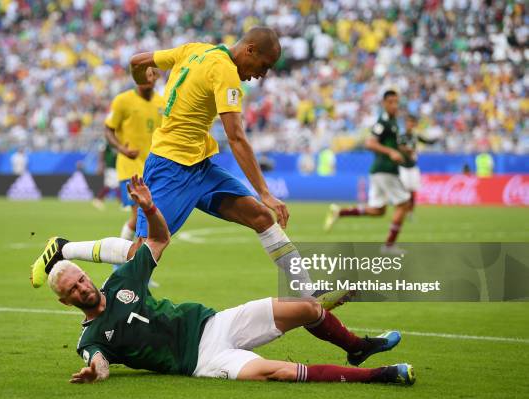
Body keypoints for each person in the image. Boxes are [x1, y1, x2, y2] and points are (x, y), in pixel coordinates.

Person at [32, 176, 415, 385]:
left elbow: (159, 239)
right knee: (277, 371)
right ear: (66, 302)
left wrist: (149, 208)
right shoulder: (90, 338)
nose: (82, 288)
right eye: (73, 291)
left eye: (80, 279)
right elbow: (97, 361)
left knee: (308, 307)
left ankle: (356, 346)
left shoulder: (120, 283)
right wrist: (94, 372)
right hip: (203, 360)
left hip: (215, 322)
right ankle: (377, 376)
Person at [128, 26, 329, 300]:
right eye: (264, 65)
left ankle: (308, 292)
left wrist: (144, 80)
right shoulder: (225, 72)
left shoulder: (194, 49)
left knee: (261, 217)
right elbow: (236, 138)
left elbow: (137, 61)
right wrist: (266, 193)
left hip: (200, 165)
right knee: (144, 250)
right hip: (170, 166)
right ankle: (71, 255)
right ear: (249, 50)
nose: (262, 75)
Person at [324, 90, 410, 254]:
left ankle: (340, 212)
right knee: (403, 204)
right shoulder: (383, 122)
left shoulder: (393, 122)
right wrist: (391, 152)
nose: (394, 105)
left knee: (378, 210)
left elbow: (391, 144)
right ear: (384, 103)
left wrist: (401, 150)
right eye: (391, 102)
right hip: (385, 170)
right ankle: (389, 246)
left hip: (381, 171)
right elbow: (370, 143)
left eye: (396, 102)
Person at [103, 68, 164, 240]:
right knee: (138, 215)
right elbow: (108, 129)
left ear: (156, 77)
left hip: (153, 167)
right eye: (143, 74)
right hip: (130, 167)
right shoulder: (122, 100)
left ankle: (131, 258)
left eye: (151, 74)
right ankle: (120, 261)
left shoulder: (162, 103)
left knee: (149, 217)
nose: (147, 77)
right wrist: (122, 149)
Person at [397, 115, 437, 216]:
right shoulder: (401, 136)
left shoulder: (415, 136)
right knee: (403, 191)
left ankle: (410, 212)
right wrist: (408, 151)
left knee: (413, 191)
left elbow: (427, 141)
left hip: (413, 167)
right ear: (405, 124)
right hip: (403, 167)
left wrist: (437, 138)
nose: (410, 124)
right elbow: (399, 146)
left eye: (412, 122)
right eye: (408, 122)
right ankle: (401, 211)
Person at [92, 142, 121, 210]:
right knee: (116, 185)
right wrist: (100, 165)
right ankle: (122, 203)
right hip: (110, 167)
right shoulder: (107, 143)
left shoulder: (115, 142)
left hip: (115, 167)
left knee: (109, 185)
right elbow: (101, 152)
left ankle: (98, 199)